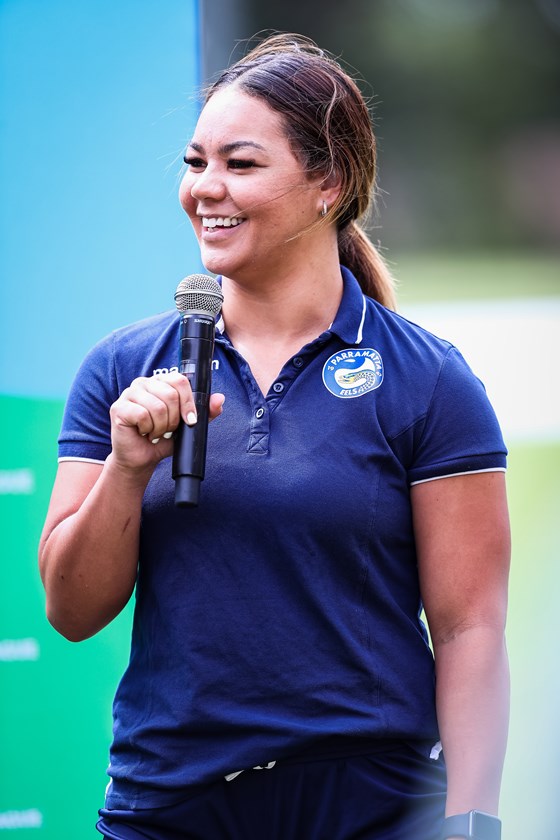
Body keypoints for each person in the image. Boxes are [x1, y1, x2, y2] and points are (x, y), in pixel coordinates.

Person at [39, 33, 510, 840]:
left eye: (241, 164)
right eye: (195, 163)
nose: (205, 190)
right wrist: (126, 468)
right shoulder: (122, 368)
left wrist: (473, 823)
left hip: (373, 806)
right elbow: (73, 610)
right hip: (173, 803)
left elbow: (470, 627)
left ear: (329, 182)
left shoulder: (428, 379)